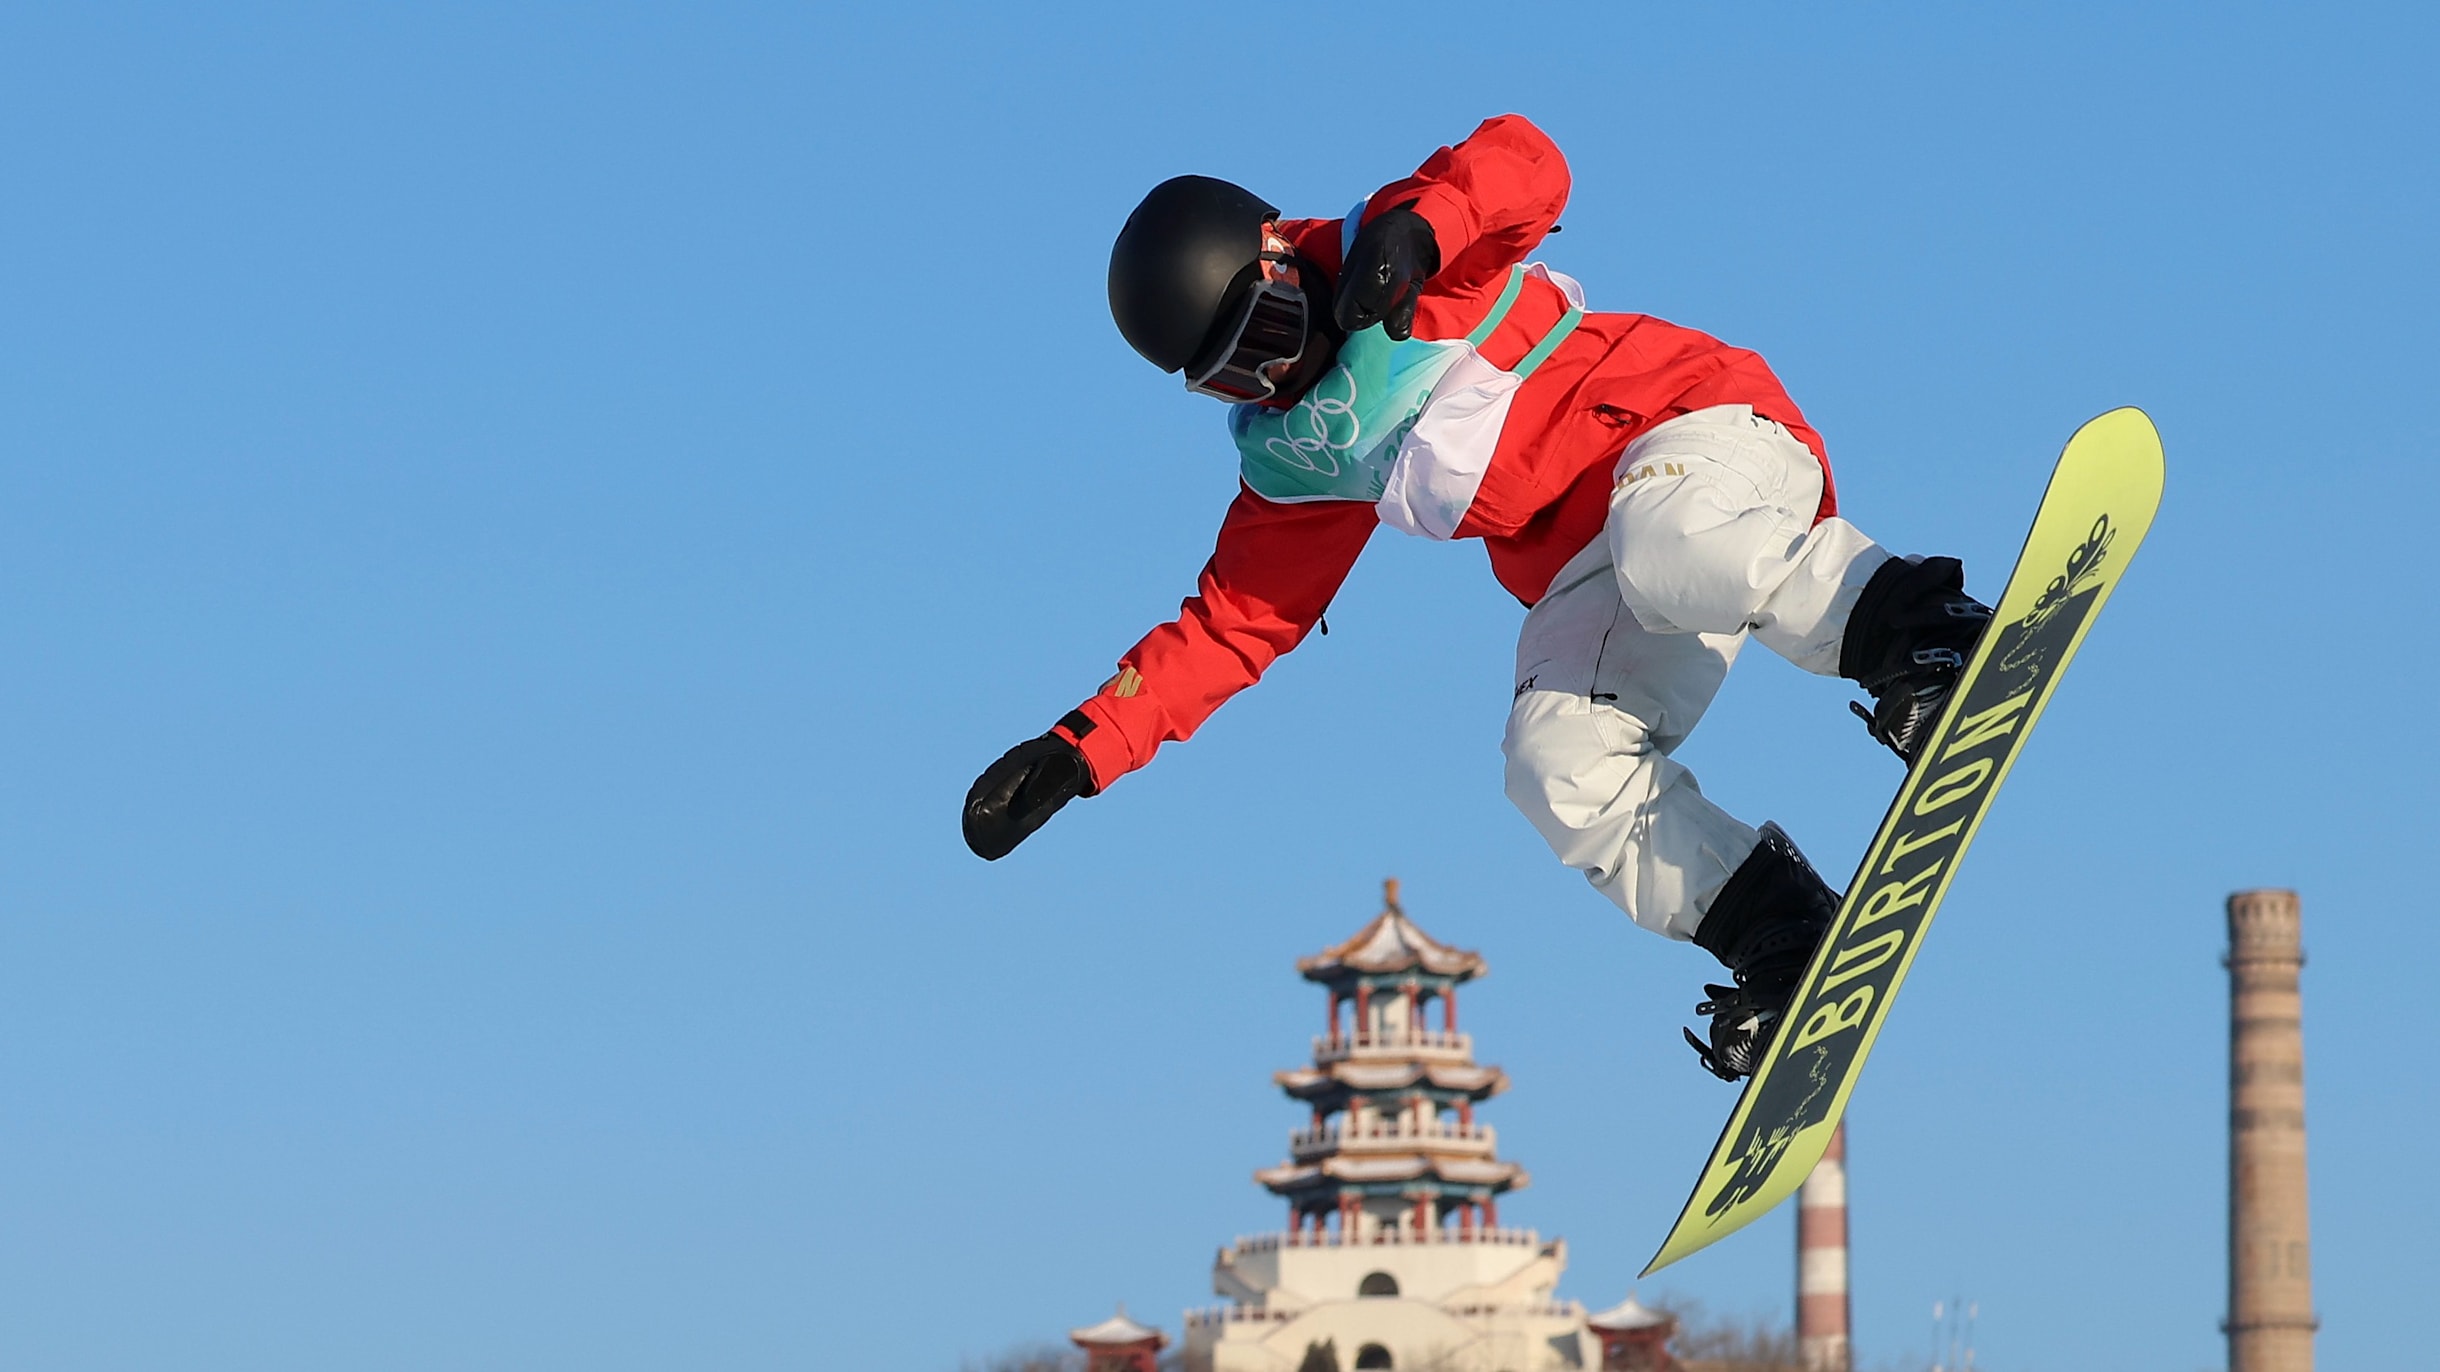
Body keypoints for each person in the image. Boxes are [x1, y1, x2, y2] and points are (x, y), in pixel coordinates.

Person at [959, 115, 1989, 1080]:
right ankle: (1778, 930)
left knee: (1668, 545)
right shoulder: (1303, 455)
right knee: (1552, 762)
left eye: (1269, 326)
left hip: (1691, 431)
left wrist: (1422, 230)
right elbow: (1233, 623)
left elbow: (1528, 163)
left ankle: (1921, 634)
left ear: (1280, 259)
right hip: (1595, 567)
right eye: (1238, 373)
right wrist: (1081, 746)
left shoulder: (1398, 243)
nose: (1279, 370)